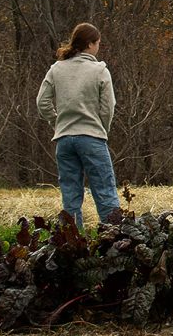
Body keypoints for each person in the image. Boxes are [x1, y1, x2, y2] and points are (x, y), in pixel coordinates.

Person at [36, 23, 121, 227]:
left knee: (70, 197)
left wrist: (57, 123)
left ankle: (72, 243)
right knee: (105, 192)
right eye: (98, 43)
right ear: (90, 44)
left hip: (64, 140)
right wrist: (102, 128)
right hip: (92, 138)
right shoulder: (100, 70)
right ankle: (115, 239)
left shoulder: (57, 69)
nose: (98, 47)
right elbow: (108, 106)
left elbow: (42, 102)